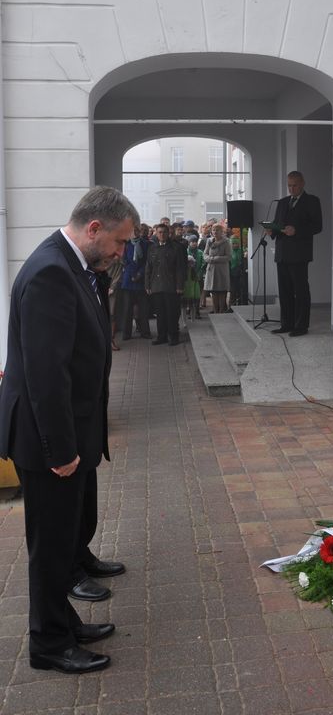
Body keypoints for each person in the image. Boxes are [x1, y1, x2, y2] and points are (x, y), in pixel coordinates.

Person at [0, 186, 139, 674]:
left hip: (63, 431)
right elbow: (46, 375)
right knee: (51, 546)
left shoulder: (72, 264)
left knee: (60, 542)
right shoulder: (51, 274)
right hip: (46, 439)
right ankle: (49, 644)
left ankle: (64, 622)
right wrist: (60, 449)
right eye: (120, 242)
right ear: (94, 228)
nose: (122, 252)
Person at [269, 171, 322, 336]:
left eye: (294, 185)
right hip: (282, 253)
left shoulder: (312, 201)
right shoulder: (283, 202)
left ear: (302, 183)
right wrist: (273, 231)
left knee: (300, 291)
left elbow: (318, 226)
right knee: (284, 291)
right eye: (289, 185)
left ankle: (301, 326)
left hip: (299, 254)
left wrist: (297, 230)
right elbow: (279, 224)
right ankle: (287, 323)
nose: (291, 189)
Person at [145, 224, 185, 345]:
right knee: (160, 313)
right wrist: (147, 285)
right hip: (156, 286)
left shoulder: (176, 248)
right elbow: (148, 268)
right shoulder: (152, 248)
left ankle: (174, 337)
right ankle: (161, 336)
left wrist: (179, 286)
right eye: (159, 232)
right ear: (156, 234)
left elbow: (180, 269)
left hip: (171, 286)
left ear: (168, 233)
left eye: (164, 232)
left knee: (172, 313)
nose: (162, 234)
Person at [120, 224, 152, 341]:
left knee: (144, 309)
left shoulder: (146, 244)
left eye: (137, 231)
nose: (136, 233)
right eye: (133, 231)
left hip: (141, 281)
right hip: (128, 281)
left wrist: (139, 274)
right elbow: (124, 261)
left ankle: (145, 332)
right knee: (127, 309)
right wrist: (133, 274)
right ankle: (127, 333)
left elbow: (147, 261)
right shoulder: (126, 245)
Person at [203, 223, 231, 314]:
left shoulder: (226, 242)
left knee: (222, 291)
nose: (215, 232)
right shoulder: (209, 241)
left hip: (221, 270)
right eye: (213, 230)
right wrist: (210, 259)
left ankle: (222, 311)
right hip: (211, 269)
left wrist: (216, 258)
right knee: (213, 291)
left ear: (222, 232)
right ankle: (215, 311)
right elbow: (205, 255)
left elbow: (228, 257)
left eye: (217, 230)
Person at [182, 235, 204, 318]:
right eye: (192, 242)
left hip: (198, 276)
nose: (194, 243)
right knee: (189, 294)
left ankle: (197, 311)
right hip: (188, 277)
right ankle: (189, 310)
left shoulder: (200, 252)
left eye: (195, 241)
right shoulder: (186, 252)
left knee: (197, 294)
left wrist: (200, 274)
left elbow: (203, 263)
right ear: (189, 243)